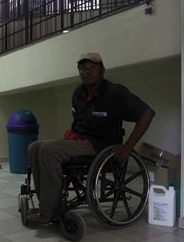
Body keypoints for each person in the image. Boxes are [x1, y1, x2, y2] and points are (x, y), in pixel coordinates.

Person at [27, 52, 155, 223]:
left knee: (48, 150)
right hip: (79, 141)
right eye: (82, 69)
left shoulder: (115, 93)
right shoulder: (78, 93)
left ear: (102, 71)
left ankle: (48, 212)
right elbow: (77, 124)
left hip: (100, 146)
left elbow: (147, 114)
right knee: (34, 147)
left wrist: (128, 147)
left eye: (92, 68)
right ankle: (47, 203)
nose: (87, 72)